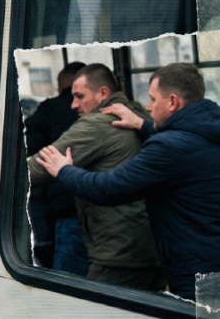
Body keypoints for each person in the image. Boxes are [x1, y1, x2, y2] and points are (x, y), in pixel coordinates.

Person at [37, 62, 220, 300]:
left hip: (194, 272)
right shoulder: (208, 133)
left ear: (173, 102)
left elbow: (109, 189)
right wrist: (143, 125)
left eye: (153, 100)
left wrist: (63, 171)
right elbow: (186, 146)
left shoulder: (168, 148)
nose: (148, 106)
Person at [27, 64, 164, 289]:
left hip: (119, 252)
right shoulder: (137, 113)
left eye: (79, 96)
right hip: (151, 245)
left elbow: (38, 168)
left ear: (102, 93)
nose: (73, 105)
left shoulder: (98, 123)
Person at [24, 62, 85, 270]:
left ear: (62, 84)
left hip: (65, 205)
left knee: (67, 279)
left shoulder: (50, 109)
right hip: (99, 208)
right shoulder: (105, 114)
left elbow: (26, 146)